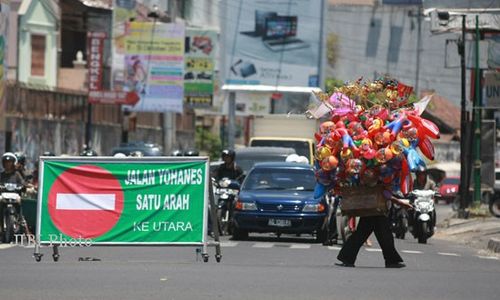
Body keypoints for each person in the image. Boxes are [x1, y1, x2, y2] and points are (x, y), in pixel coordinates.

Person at [335, 188, 413, 268]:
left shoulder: (379, 181)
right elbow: (384, 193)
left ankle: (346, 257)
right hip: (375, 210)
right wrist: (401, 203)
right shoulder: (378, 181)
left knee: (365, 234)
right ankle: (391, 260)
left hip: (373, 210)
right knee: (384, 236)